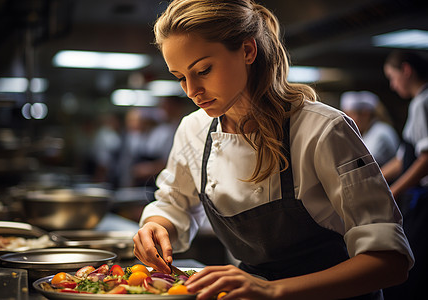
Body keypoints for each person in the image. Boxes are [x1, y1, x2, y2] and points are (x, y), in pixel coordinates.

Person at [133, 1, 414, 299]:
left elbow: (390, 261)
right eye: (180, 77)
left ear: (247, 51)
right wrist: (156, 225)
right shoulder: (194, 130)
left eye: (203, 70)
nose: (191, 90)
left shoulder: (323, 129)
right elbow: (174, 204)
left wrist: (271, 289)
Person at [381, 50, 428, 300]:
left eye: (393, 76)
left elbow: (426, 159)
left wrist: (392, 191)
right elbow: (402, 159)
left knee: (415, 262)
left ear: (406, 70)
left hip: (423, 199)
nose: (392, 84)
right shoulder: (417, 102)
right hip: (417, 200)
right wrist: (372, 177)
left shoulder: (423, 101)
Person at [340, 90, 399, 166]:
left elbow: (363, 165)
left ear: (365, 114)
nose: (345, 120)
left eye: (349, 115)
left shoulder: (381, 133)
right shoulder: (366, 132)